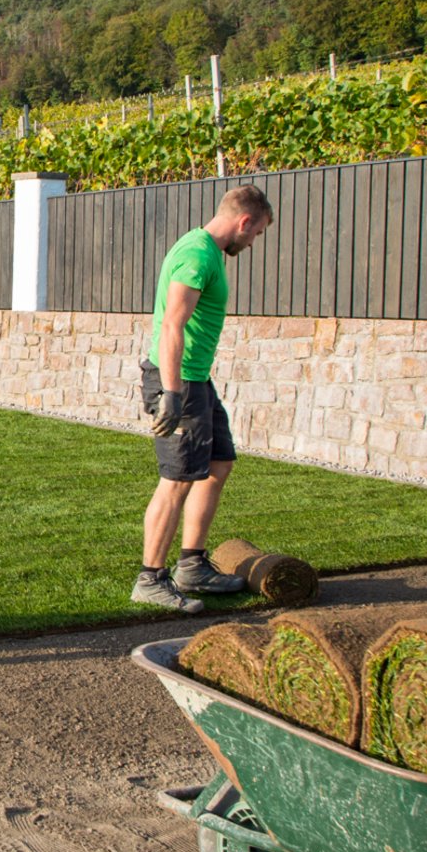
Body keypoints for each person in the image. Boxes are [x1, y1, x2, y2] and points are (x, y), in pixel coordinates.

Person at [134, 184, 274, 614]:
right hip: (180, 383)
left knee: (218, 464)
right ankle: (150, 579)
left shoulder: (207, 251)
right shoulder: (197, 255)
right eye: (256, 233)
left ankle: (192, 566)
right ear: (244, 221)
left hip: (197, 381)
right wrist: (172, 394)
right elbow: (174, 325)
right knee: (176, 480)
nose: (252, 243)